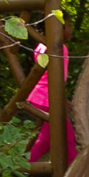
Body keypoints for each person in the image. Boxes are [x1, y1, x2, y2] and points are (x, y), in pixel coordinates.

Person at [23, 13, 76, 167]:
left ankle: (20, 172)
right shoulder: (59, 49)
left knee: (46, 140)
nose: (71, 30)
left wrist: (62, 99)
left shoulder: (41, 46)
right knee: (66, 139)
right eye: (68, 26)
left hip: (41, 96)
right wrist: (60, 100)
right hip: (48, 98)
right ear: (58, 29)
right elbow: (54, 78)